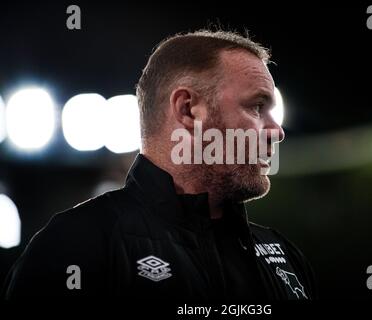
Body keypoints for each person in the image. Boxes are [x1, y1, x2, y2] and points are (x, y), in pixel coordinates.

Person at [2, 30, 315, 300]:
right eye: (258, 106)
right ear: (188, 110)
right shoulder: (74, 246)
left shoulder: (283, 254)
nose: (277, 131)